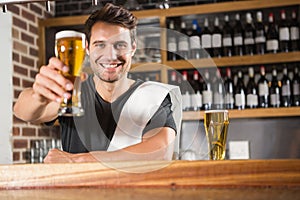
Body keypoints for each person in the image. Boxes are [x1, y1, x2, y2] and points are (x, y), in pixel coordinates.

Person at [13, 3, 182, 163]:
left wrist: (78, 161)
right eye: (100, 45)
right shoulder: (74, 94)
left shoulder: (152, 96)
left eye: (120, 45)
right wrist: (38, 95)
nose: (110, 55)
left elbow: (160, 153)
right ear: (87, 48)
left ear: (133, 48)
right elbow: (23, 112)